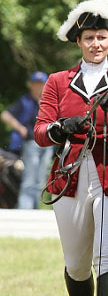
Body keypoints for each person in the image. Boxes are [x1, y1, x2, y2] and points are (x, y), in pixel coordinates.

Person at [34, 0, 108, 296]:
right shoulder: (58, 82)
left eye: (102, 37)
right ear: (78, 42)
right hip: (70, 177)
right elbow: (40, 131)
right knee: (76, 264)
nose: (96, 44)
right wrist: (62, 127)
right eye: (89, 38)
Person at [1, 72, 54, 208]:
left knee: (41, 180)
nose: (38, 87)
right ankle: (25, 211)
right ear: (30, 85)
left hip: (48, 143)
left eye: (41, 84)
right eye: (35, 84)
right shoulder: (25, 101)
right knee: (29, 179)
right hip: (31, 143)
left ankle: (34, 210)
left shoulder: (50, 101)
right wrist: (20, 128)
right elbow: (5, 115)